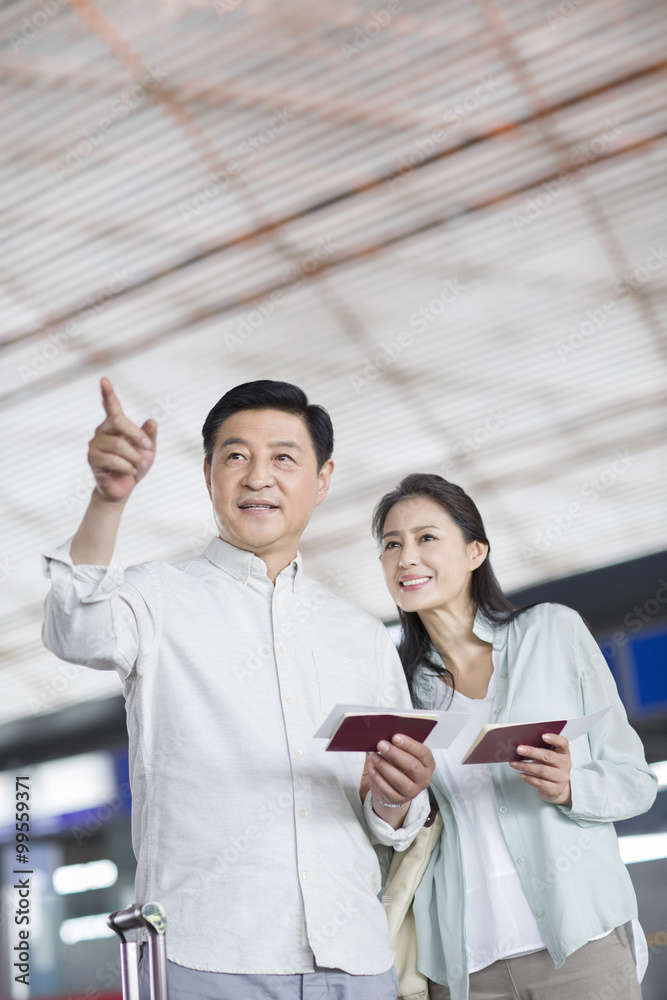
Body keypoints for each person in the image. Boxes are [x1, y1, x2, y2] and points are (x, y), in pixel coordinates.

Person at [42, 378, 436, 1000]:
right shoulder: (156, 597)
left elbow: (391, 820)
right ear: (208, 475)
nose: (258, 477)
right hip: (206, 954)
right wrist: (107, 500)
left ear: (322, 479)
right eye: (235, 456)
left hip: (355, 959)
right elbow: (74, 627)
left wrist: (397, 796)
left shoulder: (361, 637)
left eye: (284, 457)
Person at [371, 473, 658, 1000]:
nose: (406, 557)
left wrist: (571, 786)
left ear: (476, 550)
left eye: (426, 537)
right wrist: (392, 803)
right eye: (392, 544)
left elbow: (635, 782)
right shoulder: (395, 688)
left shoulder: (552, 631)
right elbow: (389, 839)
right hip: (462, 966)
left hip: (580, 949)